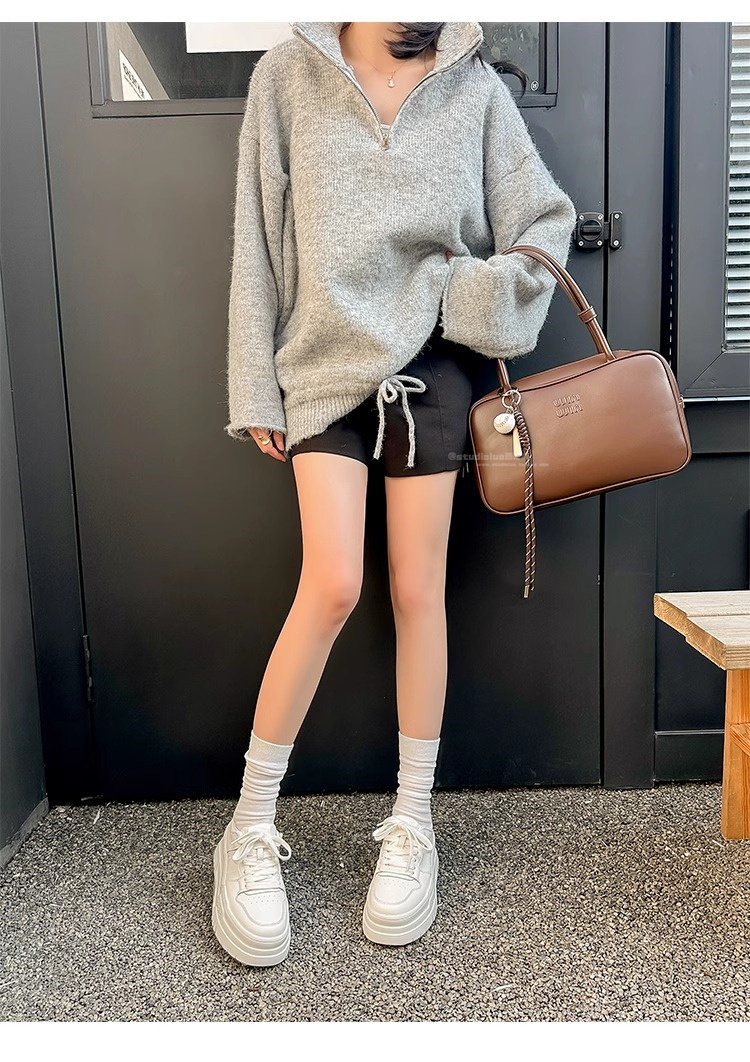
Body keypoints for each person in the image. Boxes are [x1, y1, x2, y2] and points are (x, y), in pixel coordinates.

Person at [214, 21, 577, 967]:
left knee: (420, 592)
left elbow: (543, 223)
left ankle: (413, 823)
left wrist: (465, 295)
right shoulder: (287, 76)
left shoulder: (472, 87)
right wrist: (254, 389)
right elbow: (257, 239)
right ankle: (247, 827)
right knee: (332, 584)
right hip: (320, 366)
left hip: (432, 370)